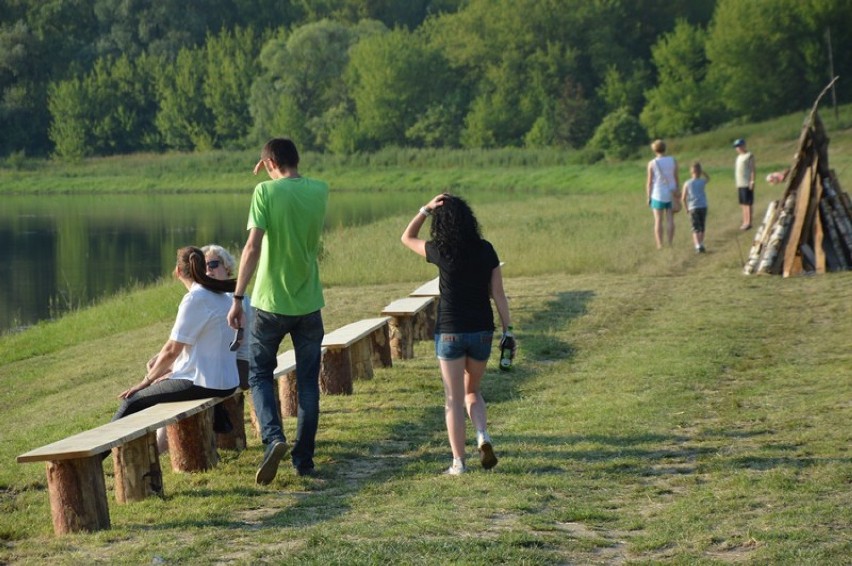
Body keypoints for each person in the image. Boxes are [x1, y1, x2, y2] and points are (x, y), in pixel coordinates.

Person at [228, 138, 329, 485]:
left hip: (270, 304)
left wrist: (237, 297)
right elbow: (292, 189)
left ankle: (273, 439)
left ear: (269, 163)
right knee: (308, 383)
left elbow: (253, 246)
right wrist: (271, 170)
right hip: (309, 304)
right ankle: (304, 460)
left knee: (259, 375)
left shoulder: (264, 193)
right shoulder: (320, 190)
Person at [401, 193, 514, 475]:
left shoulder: (440, 250)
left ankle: (458, 463)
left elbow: (407, 237)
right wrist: (508, 329)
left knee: (453, 398)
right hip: (481, 331)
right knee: (472, 391)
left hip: (450, 331)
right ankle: (482, 436)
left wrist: (425, 209)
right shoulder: (486, 249)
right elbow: (498, 294)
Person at [111, 246, 238, 424]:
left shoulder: (195, 298)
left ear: (178, 271)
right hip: (227, 381)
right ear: (203, 268)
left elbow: (172, 350)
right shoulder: (221, 295)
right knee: (161, 384)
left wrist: (145, 381)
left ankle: (97, 452)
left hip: (204, 383)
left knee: (132, 401)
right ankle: (220, 421)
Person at [646, 139, 680, 249]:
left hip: (658, 193)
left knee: (658, 220)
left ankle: (660, 244)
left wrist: (648, 196)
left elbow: (650, 181)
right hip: (671, 192)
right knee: (670, 218)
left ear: (654, 150)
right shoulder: (672, 160)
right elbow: (675, 177)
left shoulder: (652, 163)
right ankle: (670, 243)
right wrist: (677, 191)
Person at [681, 161, 710, 253]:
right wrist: (703, 172)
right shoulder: (701, 181)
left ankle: (697, 245)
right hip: (702, 206)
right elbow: (708, 178)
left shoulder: (687, 183)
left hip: (693, 207)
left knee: (695, 227)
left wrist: (686, 208)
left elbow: (683, 198)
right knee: (702, 227)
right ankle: (700, 244)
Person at [733, 138, 756, 230]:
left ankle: (749, 222)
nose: (737, 148)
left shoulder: (749, 156)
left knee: (747, 203)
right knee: (742, 203)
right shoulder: (738, 157)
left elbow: (752, 170)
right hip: (740, 183)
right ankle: (744, 221)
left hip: (747, 182)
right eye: (736, 147)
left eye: (738, 146)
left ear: (743, 146)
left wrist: (752, 181)